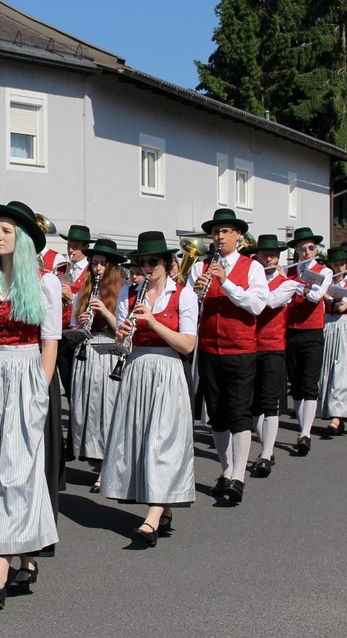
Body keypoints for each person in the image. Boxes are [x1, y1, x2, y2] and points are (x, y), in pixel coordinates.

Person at [0, 200, 61, 610]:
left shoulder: (44, 283)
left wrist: (39, 391)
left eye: (5, 230)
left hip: (26, 373)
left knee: (15, 471)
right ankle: (25, 557)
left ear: (21, 239)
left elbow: (50, 342)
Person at [102, 231, 197, 545]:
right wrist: (122, 334)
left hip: (168, 369)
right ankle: (164, 509)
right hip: (136, 369)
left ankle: (152, 519)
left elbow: (187, 345)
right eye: (142, 262)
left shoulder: (183, 294)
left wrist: (154, 322)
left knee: (162, 440)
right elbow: (122, 339)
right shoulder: (129, 292)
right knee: (143, 440)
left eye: (152, 261)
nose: (146, 267)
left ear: (167, 263)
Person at [188, 208, 266, 503]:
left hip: (241, 348)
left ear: (238, 236)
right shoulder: (200, 266)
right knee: (217, 414)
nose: (219, 237)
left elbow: (256, 305)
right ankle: (226, 470)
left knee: (239, 412)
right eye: (215, 232)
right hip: (209, 347)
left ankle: (238, 477)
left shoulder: (252, 267)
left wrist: (226, 283)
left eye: (225, 231)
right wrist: (195, 294)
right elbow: (188, 308)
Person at [68, 238, 127, 491]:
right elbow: (73, 326)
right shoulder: (84, 290)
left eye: (102, 264)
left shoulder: (123, 291)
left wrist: (104, 310)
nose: (97, 268)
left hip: (109, 352)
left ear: (111, 267)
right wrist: (81, 323)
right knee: (89, 411)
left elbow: (124, 329)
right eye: (94, 263)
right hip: (86, 352)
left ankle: (107, 469)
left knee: (108, 409)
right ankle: (97, 457)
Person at [242, 235, 297, 476]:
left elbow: (269, 303)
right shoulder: (250, 280)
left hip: (273, 346)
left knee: (269, 401)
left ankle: (265, 453)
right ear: (257, 257)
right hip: (249, 345)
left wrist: (248, 291)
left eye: (273, 256)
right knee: (254, 403)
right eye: (265, 255)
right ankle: (267, 448)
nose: (269, 260)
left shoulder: (288, 283)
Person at [284, 227, 333, 455]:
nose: (306, 252)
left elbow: (315, 296)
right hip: (291, 331)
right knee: (295, 383)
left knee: (309, 382)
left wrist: (296, 285)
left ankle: (305, 433)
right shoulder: (288, 270)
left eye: (311, 247)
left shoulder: (325, 271)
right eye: (302, 248)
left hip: (313, 331)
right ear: (296, 250)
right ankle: (302, 428)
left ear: (315, 249)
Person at [317, 247, 347, 435]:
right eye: (335, 265)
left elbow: (343, 306)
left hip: (342, 325)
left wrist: (325, 295)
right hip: (326, 325)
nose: (338, 267)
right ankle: (332, 414)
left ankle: (338, 417)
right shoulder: (326, 281)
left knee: (342, 370)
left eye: (341, 264)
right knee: (325, 370)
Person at [56, 224, 93, 401]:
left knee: (79, 383)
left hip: (80, 332)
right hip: (61, 331)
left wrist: (72, 297)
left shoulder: (91, 271)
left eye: (75, 246)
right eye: (69, 245)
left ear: (86, 247)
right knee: (66, 379)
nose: (71, 250)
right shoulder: (62, 269)